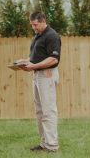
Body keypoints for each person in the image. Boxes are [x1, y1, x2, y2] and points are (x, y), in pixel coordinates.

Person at [18, 11, 61, 152]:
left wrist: (33, 66)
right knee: (40, 111)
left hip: (46, 75)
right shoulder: (38, 36)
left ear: (43, 21)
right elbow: (36, 57)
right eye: (32, 25)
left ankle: (52, 145)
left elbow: (54, 59)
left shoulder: (52, 36)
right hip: (37, 75)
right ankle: (44, 143)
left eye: (35, 25)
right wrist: (24, 62)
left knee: (48, 110)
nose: (33, 28)